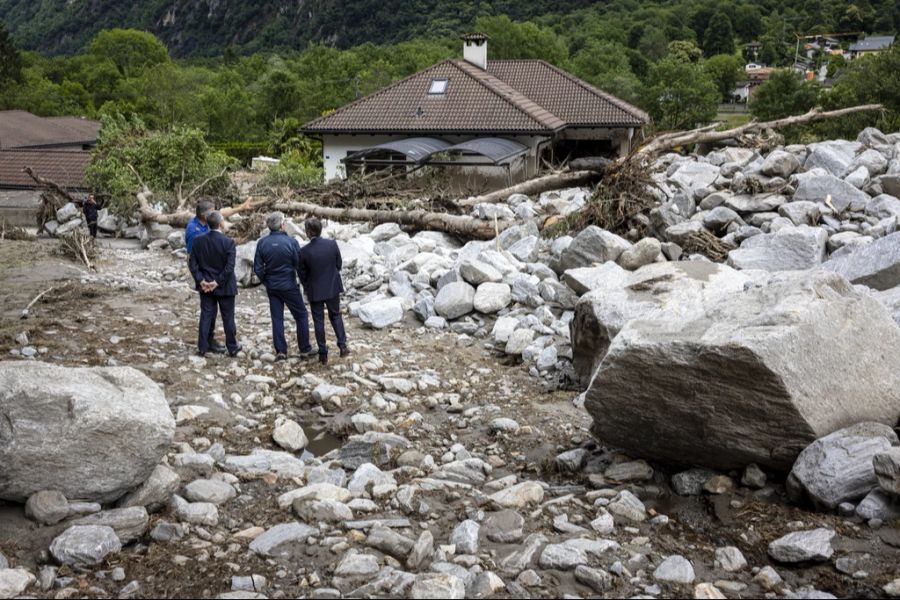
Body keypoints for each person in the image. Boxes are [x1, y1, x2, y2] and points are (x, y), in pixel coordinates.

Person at [253, 212, 314, 361]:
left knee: (277, 318)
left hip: (272, 285)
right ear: (282, 225)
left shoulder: (262, 243)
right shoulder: (291, 242)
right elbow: (298, 263)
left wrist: (266, 280)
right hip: (288, 284)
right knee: (301, 315)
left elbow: (258, 268)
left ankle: (281, 351)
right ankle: (304, 349)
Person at [188, 211, 241, 357]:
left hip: (205, 286)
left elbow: (192, 264)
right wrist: (217, 282)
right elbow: (229, 268)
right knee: (228, 317)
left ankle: (202, 347)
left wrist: (201, 280)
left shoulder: (198, 241)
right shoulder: (228, 242)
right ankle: (232, 347)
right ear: (220, 223)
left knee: (206, 316)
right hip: (225, 286)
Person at [299, 218, 349, 365]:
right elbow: (339, 264)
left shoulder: (304, 251)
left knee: (318, 321)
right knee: (336, 316)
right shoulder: (332, 244)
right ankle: (343, 346)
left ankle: (323, 353)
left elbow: (301, 273)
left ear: (308, 232)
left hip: (315, 290)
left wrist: (308, 286)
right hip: (332, 286)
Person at [186, 200, 225, 354]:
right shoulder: (193, 230)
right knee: (208, 311)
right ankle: (204, 345)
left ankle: (208, 341)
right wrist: (200, 280)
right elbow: (192, 257)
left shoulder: (207, 222)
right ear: (205, 215)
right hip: (203, 273)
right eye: (213, 210)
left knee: (211, 311)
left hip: (213, 272)